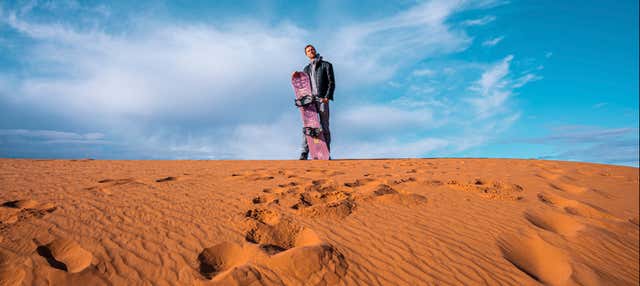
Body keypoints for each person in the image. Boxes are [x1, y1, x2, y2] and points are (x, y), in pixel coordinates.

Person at [299, 44, 335, 160]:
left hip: (322, 99)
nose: (311, 51)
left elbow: (331, 82)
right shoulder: (306, 69)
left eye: (312, 49)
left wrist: (327, 97)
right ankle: (304, 153)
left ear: (315, 50)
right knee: (308, 127)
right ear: (306, 54)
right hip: (310, 102)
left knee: (324, 127)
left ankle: (326, 153)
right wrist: (296, 75)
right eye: (308, 51)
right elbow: (302, 85)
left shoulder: (326, 65)